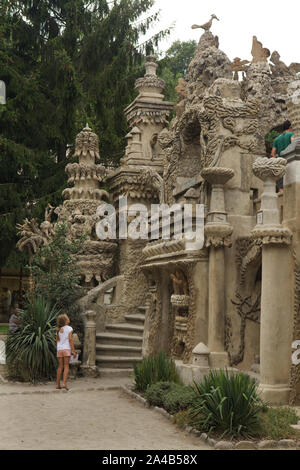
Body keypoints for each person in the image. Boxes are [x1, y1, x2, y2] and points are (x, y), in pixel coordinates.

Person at [271, 120, 294, 192]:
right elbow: (293, 144)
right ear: (290, 127)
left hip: (281, 164)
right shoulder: (291, 134)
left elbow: (272, 154)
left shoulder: (276, 139)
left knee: (281, 186)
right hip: (290, 162)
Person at [56, 314, 76, 391]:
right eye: (67, 318)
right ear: (65, 321)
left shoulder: (58, 330)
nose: (69, 318)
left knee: (60, 366)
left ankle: (58, 384)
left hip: (59, 349)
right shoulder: (69, 328)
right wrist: (73, 351)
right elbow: (70, 339)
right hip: (66, 349)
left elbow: (57, 341)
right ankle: (64, 383)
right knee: (66, 366)